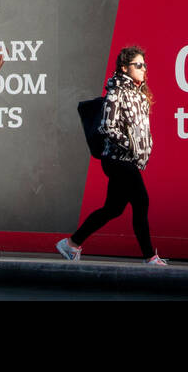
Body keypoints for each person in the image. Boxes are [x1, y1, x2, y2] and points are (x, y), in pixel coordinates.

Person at [56, 46, 166, 265]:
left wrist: (147, 144)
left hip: (127, 159)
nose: (143, 69)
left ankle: (71, 244)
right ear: (125, 68)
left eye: (144, 65)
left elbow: (140, 128)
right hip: (117, 159)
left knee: (113, 209)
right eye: (138, 65)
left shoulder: (139, 94)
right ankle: (149, 257)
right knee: (141, 202)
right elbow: (107, 127)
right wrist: (132, 146)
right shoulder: (117, 92)